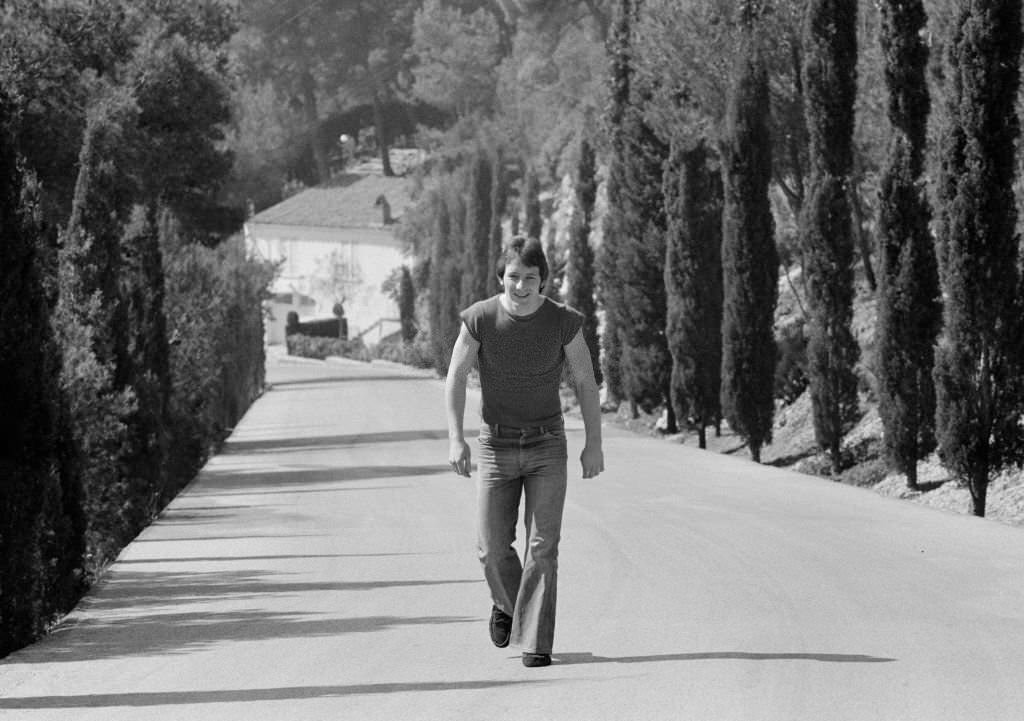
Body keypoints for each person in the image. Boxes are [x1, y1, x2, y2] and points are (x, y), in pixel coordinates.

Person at [445, 235, 604, 668]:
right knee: (491, 548)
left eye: (529, 278)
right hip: (495, 445)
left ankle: (536, 642)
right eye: (513, 277)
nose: (520, 286)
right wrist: (456, 438)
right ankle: (508, 604)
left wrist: (595, 442)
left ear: (543, 281)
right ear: (501, 277)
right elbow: (456, 376)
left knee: (543, 547)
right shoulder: (479, 319)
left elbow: (586, 381)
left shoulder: (563, 322)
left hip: (547, 445)